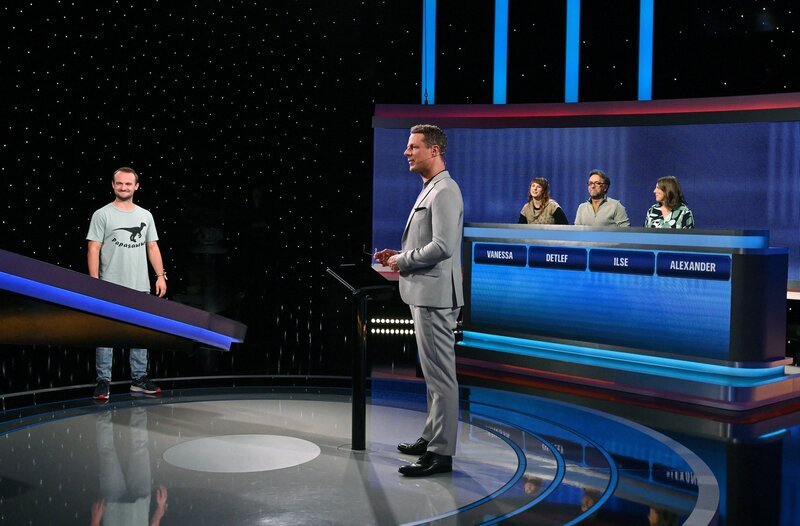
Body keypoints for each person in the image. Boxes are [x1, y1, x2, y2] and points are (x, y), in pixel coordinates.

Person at [374, 124, 463, 477]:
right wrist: (399, 253)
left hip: (435, 297)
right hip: (424, 293)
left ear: (434, 151)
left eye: (413, 147)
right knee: (433, 376)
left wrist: (402, 261)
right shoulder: (432, 188)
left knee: (441, 378)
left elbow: (443, 246)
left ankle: (441, 454)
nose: (406, 153)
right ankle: (431, 437)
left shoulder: (445, 191)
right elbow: (429, 241)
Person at [87, 167, 166, 400]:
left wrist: (160, 275)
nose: (123, 187)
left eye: (128, 184)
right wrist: (94, 282)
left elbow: (152, 246)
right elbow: (94, 247)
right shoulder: (102, 214)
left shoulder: (145, 215)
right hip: (109, 284)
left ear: (136, 186)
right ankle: (103, 381)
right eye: (119, 184)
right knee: (106, 334)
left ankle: (139, 378)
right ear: (113, 185)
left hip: (139, 285)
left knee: (140, 333)